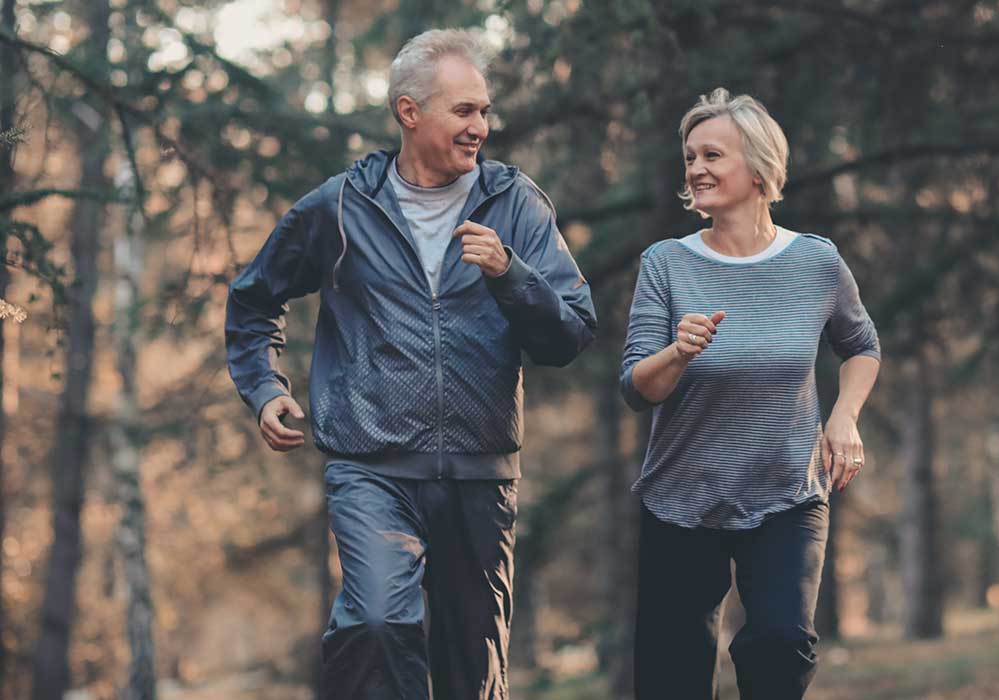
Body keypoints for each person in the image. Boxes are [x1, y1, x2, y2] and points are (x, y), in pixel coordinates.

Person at [224, 28, 595, 700]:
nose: (481, 126)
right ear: (409, 111)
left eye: (484, 110)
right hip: (372, 465)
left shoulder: (515, 205)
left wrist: (512, 275)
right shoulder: (340, 207)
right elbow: (254, 300)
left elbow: (568, 336)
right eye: (464, 111)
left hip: (481, 475)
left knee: (471, 675)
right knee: (373, 623)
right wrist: (263, 386)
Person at [620, 87, 882, 700]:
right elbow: (635, 388)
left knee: (779, 646)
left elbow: (862, 346)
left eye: (713, 155)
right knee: (670, 677)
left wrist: (844, 416)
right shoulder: (666, 264)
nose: (696, 169)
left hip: (785, 489)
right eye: (690, 157)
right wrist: (678, 352)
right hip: (682, 495)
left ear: (759, 167)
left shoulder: (816, 262)